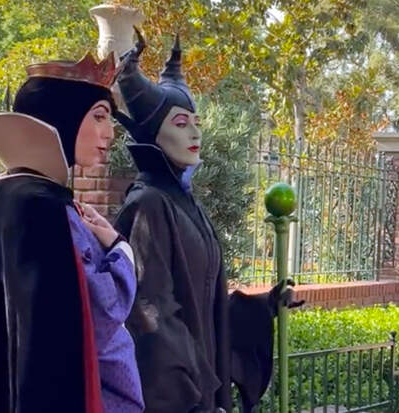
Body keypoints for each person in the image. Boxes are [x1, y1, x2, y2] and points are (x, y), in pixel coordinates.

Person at [113, 30, 303, 413]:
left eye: (196, 123)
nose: (195, 133)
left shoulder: (185, 202)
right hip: (178, 399)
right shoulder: (148, 204)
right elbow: (151, 314)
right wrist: (194, 394)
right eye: (182, 123)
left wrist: (262, 307)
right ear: (153, 133)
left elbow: (203, 301)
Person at [0, 53, 144, 413]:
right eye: (99, 116)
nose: (110, 132)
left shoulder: (6, 192)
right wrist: (121, 249)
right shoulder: (45, 207)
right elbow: (103, 311)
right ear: (62, 117)